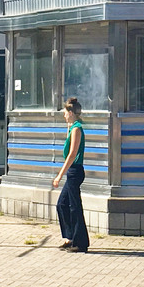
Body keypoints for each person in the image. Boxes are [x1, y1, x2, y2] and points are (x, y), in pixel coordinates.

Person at [51, 97, 90, 251]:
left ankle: (81, 243)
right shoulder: (72, 127)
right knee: (62, 204)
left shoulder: (77, 129)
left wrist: (59, 175)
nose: (64, 115)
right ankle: (70, 237)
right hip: (72, 172)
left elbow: (72, 154)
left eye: (66, 113)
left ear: (72, 113)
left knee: (75, 207)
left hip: (75, 171)